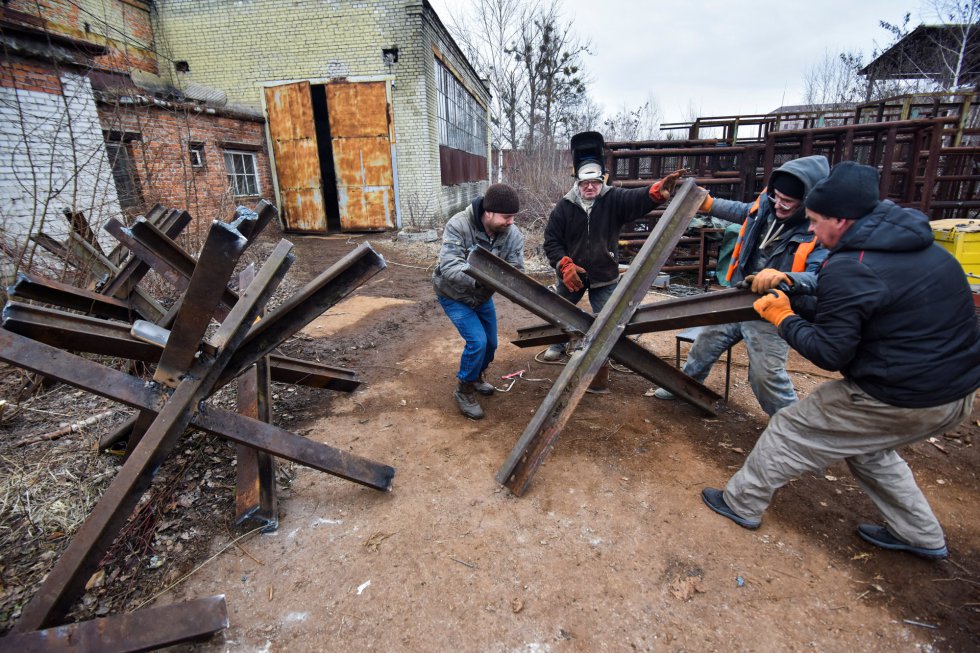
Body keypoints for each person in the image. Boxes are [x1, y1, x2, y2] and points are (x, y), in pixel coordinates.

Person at [701, 161, 980, 559]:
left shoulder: (853, 266)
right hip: (954, 392)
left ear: (842, 219)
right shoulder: (917, 248)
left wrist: (783, 316)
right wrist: (792, 286)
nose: (811, 230)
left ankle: (740, 503)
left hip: (899, 392)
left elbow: (830, 352)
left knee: (789, 428)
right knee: (869, 449)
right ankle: (920, 534)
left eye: (814, 221)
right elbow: (853, 311)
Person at [654, 155, 831, 416]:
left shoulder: (817, 230)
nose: (779, 205)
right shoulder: (766, 206)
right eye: (776, 197)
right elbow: (741, 211)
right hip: (740, 295)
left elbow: (821, 278)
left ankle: (793, 427)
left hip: (773, 308)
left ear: (806, 202)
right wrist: (708, 203)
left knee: (765, 376)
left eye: (788, 202)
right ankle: (686, 386)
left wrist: (786, 278)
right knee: (705, 342)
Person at [541, 131, 682, 362]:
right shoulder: (564, 207)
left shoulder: (613, 199)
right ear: (577, 183)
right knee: (560, 311)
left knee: (609, 318)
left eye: (594, 182)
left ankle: (606, 349)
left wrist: (656, 193)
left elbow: (636, 199)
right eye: (584, 183)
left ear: (602, 180)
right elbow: (552, 241)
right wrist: (563, 264)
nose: (589, 187)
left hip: (604, 272)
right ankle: (558, 344)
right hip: (572, 273)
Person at [433, 183, 525, 420]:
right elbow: (450, 266)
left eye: (513, 216)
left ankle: (476, 377)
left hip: (482, 296)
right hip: (454, 295)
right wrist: (482, 281)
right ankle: (463, 390)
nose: (511, 221)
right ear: (488, 212)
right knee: (478, 342)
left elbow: (516, 269)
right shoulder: (458, 225)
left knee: (491, 344)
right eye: (506, 216)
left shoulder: (513, 235)